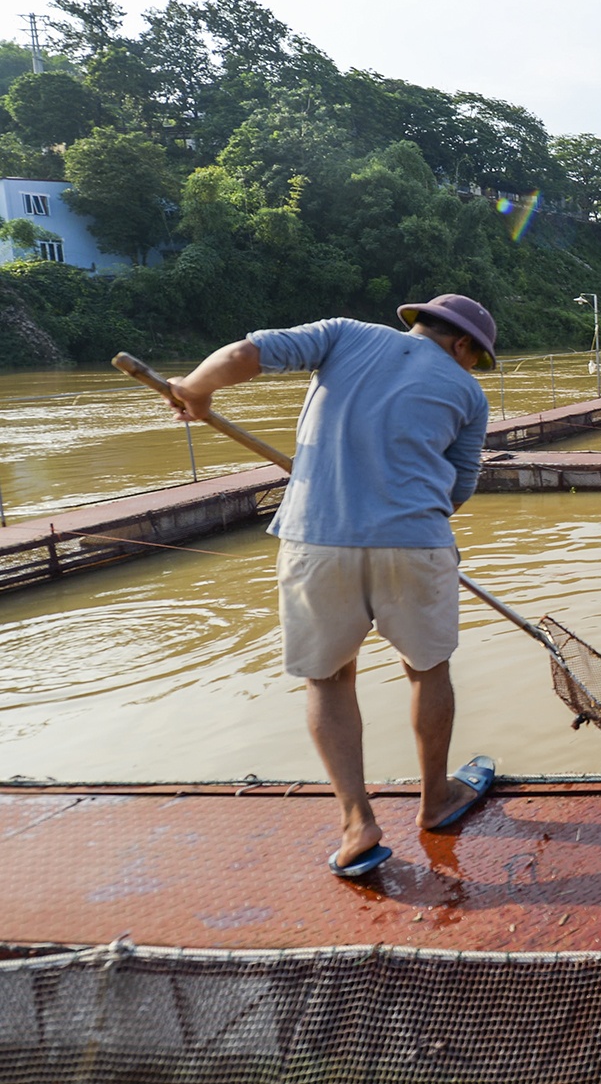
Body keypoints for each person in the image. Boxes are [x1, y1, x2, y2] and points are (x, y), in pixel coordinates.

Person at [167, 295, 501, 878]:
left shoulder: (344, 334)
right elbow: (460, 487)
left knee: (328, 678)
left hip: (317, 538)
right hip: (416, 541)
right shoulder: (469, 393)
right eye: (476, 358)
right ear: (462, 345)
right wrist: (407, 513)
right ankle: (436, 800)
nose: (472, 367)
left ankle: (356, 824)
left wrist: (195, 390)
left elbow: (246, 354)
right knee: (428, 670)